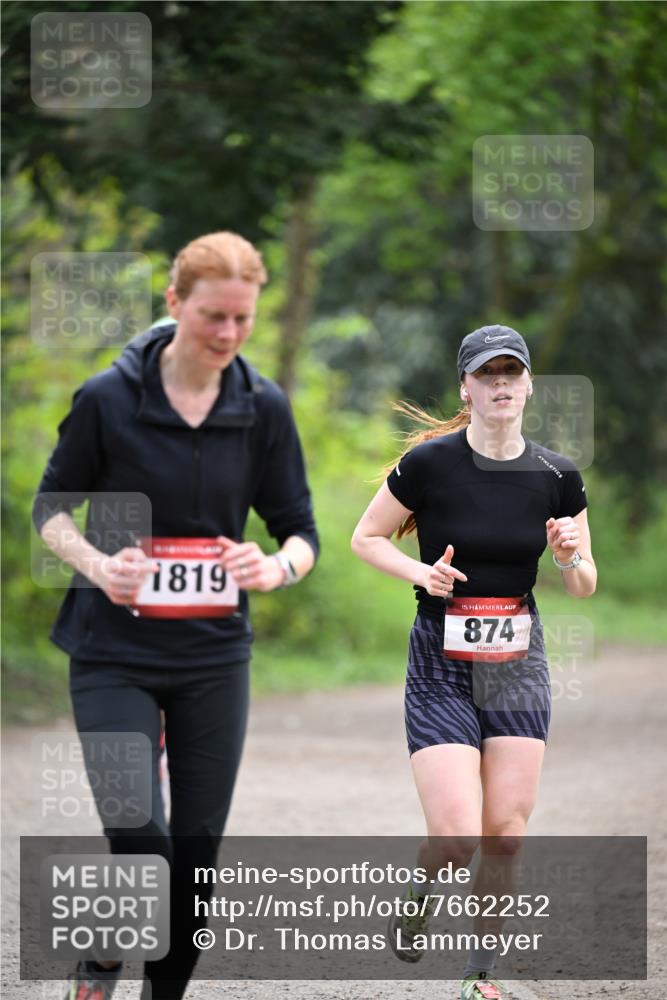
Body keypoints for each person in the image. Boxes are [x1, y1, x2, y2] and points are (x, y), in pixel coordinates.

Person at [32, 231, 319, 1000]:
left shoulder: (261, 408)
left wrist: (276, 565)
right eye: (212, 317)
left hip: (212, 658)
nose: (227, 336)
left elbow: (301, 527)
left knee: (194, 858)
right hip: (111, 648)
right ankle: (105, 953)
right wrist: (99, 566)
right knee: (138, 831)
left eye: (242, 320)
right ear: (174, 304)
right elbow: (51, 510)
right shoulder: (108, 399)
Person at [351, 325, 596, 1000]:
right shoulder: (429, 465)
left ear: (527, 386)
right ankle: (424, 883)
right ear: (465, 386)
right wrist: (418, 572)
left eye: (509, 373)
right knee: (458, 838)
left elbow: (583, 583)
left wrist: (570, 551)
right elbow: (364, 538)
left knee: (506, 836)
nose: (498, 385)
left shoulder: (556, 476)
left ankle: (479, 976)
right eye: (485, 374)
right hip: (439, 657)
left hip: (516, 655)